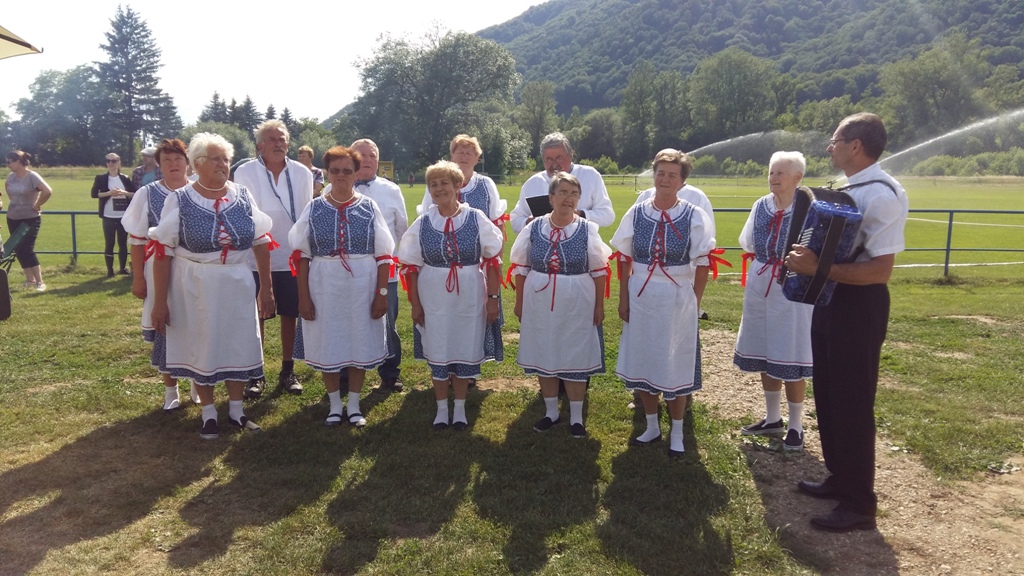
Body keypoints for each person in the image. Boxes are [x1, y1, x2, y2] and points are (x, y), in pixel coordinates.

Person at [786, 113, 908, 532]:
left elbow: (880, 271)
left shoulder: (883, 194)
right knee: (829, 393)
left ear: (856, 146)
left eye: (836, 139)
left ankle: (859, 503)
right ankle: (840, 477)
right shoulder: (850, 187)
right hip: (832, 300)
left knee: (853, 401)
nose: (830, 146)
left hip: (859, 305)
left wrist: (819, 268)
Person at [149, 132, 275, 440]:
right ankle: (208, 413)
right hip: (195, 284)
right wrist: (159, 302)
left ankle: (236, 411)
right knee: (201, 342)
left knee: (238, 341)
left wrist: (266, 288)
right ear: (197, 163)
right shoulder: (180, 199)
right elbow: (162, 253)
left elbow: (261, 242)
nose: (223, 164)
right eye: (215, 159)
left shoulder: (242, 194)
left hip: (237, 280)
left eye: (226, 159)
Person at [611, 149, 715, 457]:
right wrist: (624, 298)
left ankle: (678, 432)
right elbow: (624, 257)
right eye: (660, 173)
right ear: (653, 176)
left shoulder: (693, 215)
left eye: (672, 175)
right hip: (642, 293)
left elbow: (702, 262)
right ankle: (652, 426)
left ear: (682, 182)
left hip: (676, 296)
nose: (665, 179)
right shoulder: (637, 212)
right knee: (644, 358)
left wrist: (694, 302)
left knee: (674, 361)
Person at [290, 146, 395, 427]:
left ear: (356, 174)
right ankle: (335, 404)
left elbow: (384, 255)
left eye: (347, 171)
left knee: (360, 340)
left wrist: (381, 294)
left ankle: (355, 404)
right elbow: (301, 256)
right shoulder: (314, 208)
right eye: (335, 170)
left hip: (363, 285)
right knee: (329, 341)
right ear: (326, 173)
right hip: (324, 285)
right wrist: (303, 297)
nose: (340, 176)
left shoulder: (369, 207)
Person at [398, 161, 503, 431]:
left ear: (458, 185)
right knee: (439, 346)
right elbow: (411, 267)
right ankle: (442, 408)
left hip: (469, 292)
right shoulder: (423, 222)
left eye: (444, 182)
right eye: (433, 184)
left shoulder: (476, 218)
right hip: (433, 293)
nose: (438, 188)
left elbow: (493, 261)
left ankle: (460, 408)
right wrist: (415, 304)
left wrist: (492, 299)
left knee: (464, 344)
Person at [509, 172, 611, 439]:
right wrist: (520, 302)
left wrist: (598, 306)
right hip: (539, 299)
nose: (568, 199)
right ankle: (551, 412)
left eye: (574, 194)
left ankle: (576, 417)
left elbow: (599, 270)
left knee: (575, 352)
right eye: (563, 193)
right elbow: (521, 266)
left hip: (577, 299)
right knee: (545, 350)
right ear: (551, 197)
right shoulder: (534, 227)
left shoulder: (587, 229)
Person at [733, 151, 814, 452]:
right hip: (761, 280)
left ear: (797, 177)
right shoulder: (760, 205)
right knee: (765, 349)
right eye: (771, 171)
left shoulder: (809, 209)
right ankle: (772, 417)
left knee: (790, 351)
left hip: (792, 284)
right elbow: (748, 242)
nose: (773, 177)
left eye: (780, 172)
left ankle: (796, 425)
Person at [233, 120, 314, 398]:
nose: (278, 143)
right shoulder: (245, 172)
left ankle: (287, 370)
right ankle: (255, 373)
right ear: (260, 145)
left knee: (290, 313)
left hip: (290, 257)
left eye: (282, 139)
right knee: (257, 315)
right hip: (255, 257)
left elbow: (306, 215)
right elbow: (245, 214)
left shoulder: (302, 172)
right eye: (272, 139)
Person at [122, 139, 197, 411]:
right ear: (159, 166)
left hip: (194, 268)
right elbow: (137, 240)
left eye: (178, 159)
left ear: (188, 163)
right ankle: (170, 390)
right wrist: (138, 278)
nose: (173, 164)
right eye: (167, 160)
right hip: (159, 266)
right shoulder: (148, 193)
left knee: (195, 323)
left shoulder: (199, 191)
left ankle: (196, 383)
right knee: (165, 323)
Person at [349, 138, 408, 393]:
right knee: (349, 320)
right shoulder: (336, 187)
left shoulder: (391, 190)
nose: (368, 160)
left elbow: (402, 229)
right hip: (350, 272)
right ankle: (345, 372)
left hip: (387, 271)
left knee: (388, 322)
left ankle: (390, 372)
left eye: (372, 155)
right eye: (362, 155)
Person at [509, 132, 615, 234]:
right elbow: (516, 220)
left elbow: (607, 215)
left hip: (582, 244)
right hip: (542, 245)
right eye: (549, 160)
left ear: (570, 155)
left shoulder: (590, 176)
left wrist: (579, 214)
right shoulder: (532, 184)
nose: (554, 165)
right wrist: (531, 222)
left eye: (559, 159)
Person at [4, 151, 52, 292]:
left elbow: (47, 191)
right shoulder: (11, 176)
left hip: (29, 218)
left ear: (18, 162)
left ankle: (40, 282)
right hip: (12, 218)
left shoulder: (32, 176)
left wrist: (37, 205)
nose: (8, 165)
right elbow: (8, 188)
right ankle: (30, 280)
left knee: (27, 249)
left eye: (9, 162)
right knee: (18, 249)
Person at [91, 153, 137, 277]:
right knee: (109, 243)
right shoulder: (100, 178)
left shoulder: (125, 178)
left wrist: (123, 192)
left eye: (114, 161)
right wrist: (109, 193)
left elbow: (134, 193)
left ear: (118, 162)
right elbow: (94, 194)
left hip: (123, 216)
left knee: (123, 243)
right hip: (108, 216)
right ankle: (110, 271)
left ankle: (122, 268)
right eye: (108, 161)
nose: (111, 163)